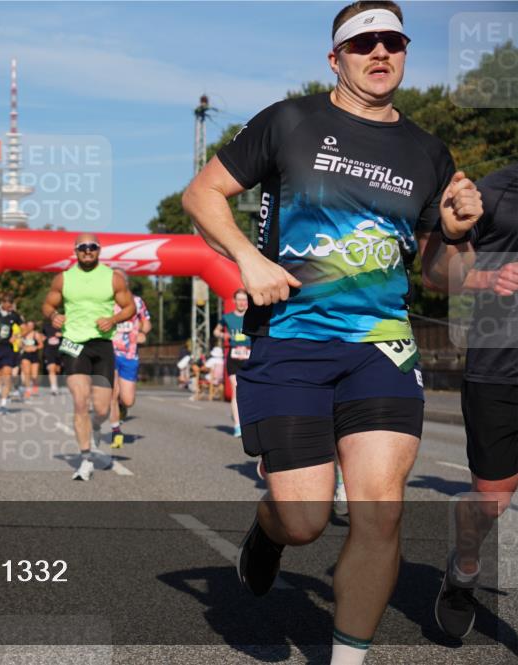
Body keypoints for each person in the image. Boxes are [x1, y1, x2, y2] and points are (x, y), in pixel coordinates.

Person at [179, 3, 483, 663]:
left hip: (383, 346)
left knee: (381, 512)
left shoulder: (428, 152)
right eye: (363, 42)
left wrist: (459, 235)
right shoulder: (291, 121)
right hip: (291, 340)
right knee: (306, 519)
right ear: (335, 57)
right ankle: (269, 532)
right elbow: (201, 194)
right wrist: (249, 259)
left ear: (405, 51)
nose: (380, 53)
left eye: (392, 42)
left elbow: (440, 273)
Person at [421, 163, 516, 639]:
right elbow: (435, 268)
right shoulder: (494, 191)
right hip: (501, 372)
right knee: (491, 502)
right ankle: (463, 568)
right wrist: (487, 277)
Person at [42, 233, 135, 481]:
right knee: (80, 402)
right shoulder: (64, 278)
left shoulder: (112, 278)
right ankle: (85, 459)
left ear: (98, 250)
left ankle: (96, 425)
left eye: (92, 246)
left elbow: (130, 307)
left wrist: (113, 319)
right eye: (82, 247)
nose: (87, 250)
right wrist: (53, 317)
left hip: (102, 344)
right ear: (75, 251)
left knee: (103, 408)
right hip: (73, 343)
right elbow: (48, 305)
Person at [109, 274, 152, 448]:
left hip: (130, 355)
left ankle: (122, 407)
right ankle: (115, 431)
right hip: (109, 352)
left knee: (128, 400)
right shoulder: (105, 303)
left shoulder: (137, 302)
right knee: (111, 392)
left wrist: (143, 332)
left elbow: (147, 322)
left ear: (126, 284)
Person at [215, 289, 251, 437]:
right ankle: (237, 425)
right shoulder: (227, 318)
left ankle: (248, 421)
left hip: (250, 356)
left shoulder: (252, 317)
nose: (242, 302)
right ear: (234, 301)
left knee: (250, 392)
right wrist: (224, 334)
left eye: (244, 300)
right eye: (239, 300)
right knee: (236, 391)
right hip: (234, 357)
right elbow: (216, 331)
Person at [19, 321, 44, 399]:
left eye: (31, 325)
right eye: (28, 325)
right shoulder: (23, 334)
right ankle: (28, 390)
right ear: (26, 326)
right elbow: (19, 344)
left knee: (34, 375)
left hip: (34, 355)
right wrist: (24, 347)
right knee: (27, 373)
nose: (30, 327)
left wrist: (35, 347)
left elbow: (41, 345)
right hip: (26, 355)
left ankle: (34, 385)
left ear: (33, 326)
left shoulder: (36, 334)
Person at [41, 316, 64, 395]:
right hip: (49, 350)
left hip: (59, 351)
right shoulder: (46, 327)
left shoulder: (63, 328)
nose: (56, 322)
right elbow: (42, 336)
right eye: (54, 320)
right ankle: (53, 387)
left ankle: (56, 384)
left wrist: (62, 335)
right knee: (52, 368)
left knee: (58, 369)